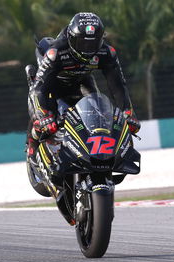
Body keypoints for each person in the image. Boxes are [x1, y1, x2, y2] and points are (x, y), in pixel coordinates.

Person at [26, 12, 140, 158]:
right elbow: (39, 88)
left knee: (98, 110)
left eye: (93, 43)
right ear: (71, 38)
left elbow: (118, 85)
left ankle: (92, 150)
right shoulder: (56, 52)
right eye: (83, 43)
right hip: (51, 85)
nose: (88, 49)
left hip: (81, 81)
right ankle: (32, 145)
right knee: (46, 119)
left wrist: (128, 113)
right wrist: (44, 116)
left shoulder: (107, 52)